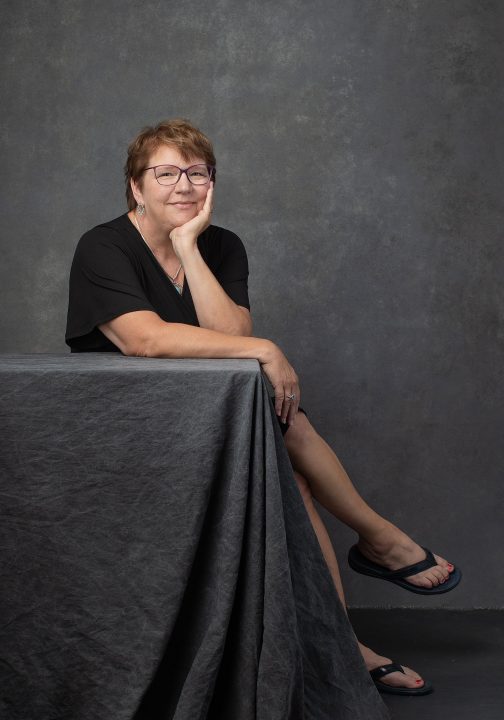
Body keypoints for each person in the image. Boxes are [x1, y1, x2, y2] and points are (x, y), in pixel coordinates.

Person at [66, 118, 461, 698]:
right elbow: (144, 340)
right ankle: (378, 543)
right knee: (276, 407)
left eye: (197, 174)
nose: (183, 186)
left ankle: (343, 641)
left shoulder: (221, 244)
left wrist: (187, 248)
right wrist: (265, 349)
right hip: (130, 424)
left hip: (208, 416)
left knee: (292, 474)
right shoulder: (102, 245)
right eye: (166, 173)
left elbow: (229, 331)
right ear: (135, 186)